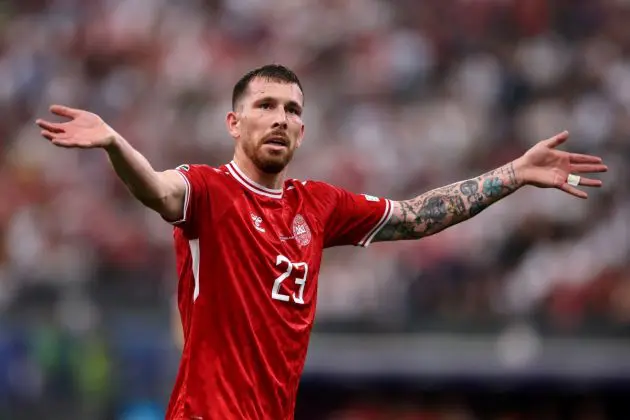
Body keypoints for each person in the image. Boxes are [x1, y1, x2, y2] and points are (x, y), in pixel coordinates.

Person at [35, 64, 607, 420]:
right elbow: (159, 192)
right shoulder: (208, 190)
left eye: (292, 110)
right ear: (234, 123)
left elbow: (416, 217)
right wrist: (114, 144)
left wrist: (512, 174)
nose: (279, 118)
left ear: (303, 130)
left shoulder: (319, 205)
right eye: (265, 106)